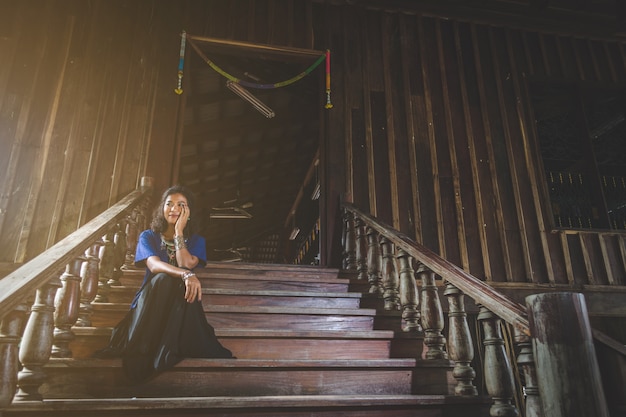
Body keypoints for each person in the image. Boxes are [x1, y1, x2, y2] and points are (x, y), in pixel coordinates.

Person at [94, 185, 234, 382]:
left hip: (179, 306)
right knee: (162, 279)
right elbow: (155, 265)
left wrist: (178, 233)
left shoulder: (196, 241)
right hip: (150, 305)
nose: (174, 208)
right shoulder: (148, 236)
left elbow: (185, 263)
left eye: (181, 205)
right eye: (169, 204)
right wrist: (185, 276)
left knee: (177, 287)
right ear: (162, 208)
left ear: (189, 212)